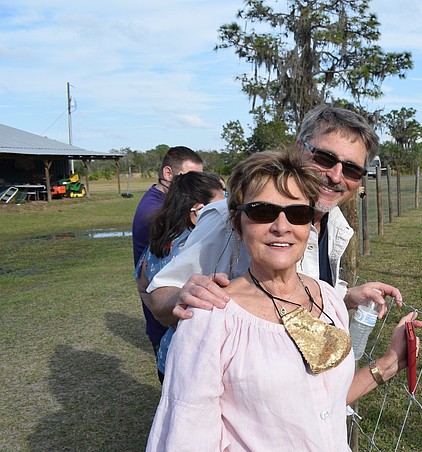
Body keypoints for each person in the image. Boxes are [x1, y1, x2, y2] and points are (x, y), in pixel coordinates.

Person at [143, 148, 421, 452]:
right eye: (261, 211)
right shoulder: (211, 320)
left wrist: (388, 364)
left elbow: (322, 400)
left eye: (297, 213)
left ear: (312, 223)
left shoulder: (327, 298)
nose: (281, 226)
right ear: (236, 222)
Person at [145, 105, 401, 330]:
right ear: (299, 149)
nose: (335, 176)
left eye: (352, 169)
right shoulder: (233, 217)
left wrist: (343, 298)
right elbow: (161, 294)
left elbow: (302, 295)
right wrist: (180, 297)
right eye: (325, 158)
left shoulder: (334, 224)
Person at [134, 171, 227, 382]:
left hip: (169, 355)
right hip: (194, 363)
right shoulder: (198, 248)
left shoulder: (159, 241)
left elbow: (142, 284)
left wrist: (164, 316)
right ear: (198, 212)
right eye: (220, 208)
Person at [131, 146, 204, 355]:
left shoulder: (166, 204)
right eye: (189, 178)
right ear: (168, 174)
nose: (195, 186)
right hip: (165, 320)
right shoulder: (156, 213)